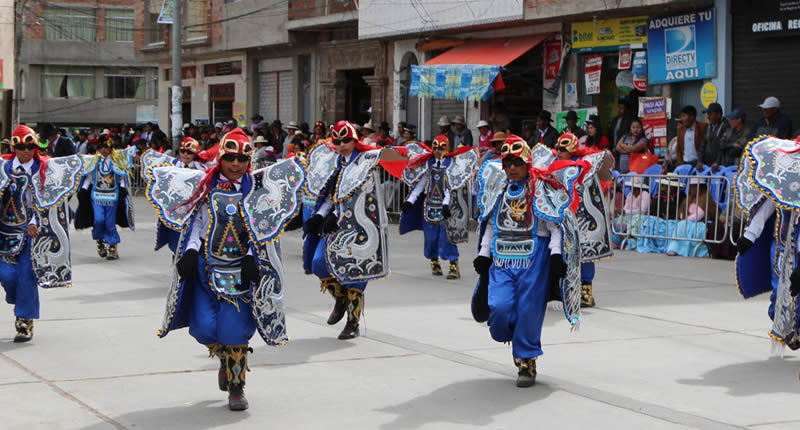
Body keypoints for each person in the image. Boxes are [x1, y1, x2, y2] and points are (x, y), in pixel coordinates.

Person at [148, 127, 304, 410]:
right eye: (230, 158)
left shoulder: (257, 190)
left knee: (234, 330)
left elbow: (261, 229)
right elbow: (196, 223)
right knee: (204, 328)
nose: (235, 164)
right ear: (220, 158)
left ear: (249, 161)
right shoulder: (205, 185)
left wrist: (251, 257)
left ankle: (236, 385)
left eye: (242, 159)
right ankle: (224, 355)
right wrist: (191, 252)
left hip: (241, 272)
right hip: (207, 269)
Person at [472, 134, 584, 387]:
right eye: (507, 162)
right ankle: (515, 339)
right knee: (499, 307)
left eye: (517, 162)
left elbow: (554, 225)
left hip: (535, 258)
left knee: (529, 311)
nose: (512, 168)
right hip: (502, 259)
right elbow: (490, 224)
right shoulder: (499, 191)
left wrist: (556, 255)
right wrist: (483, 254)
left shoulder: (540, 189)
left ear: (527, 163)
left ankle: (526, 359)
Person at [302, 121, 407, 340]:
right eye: (337, 141)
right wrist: (320, 215)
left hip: (359, 227)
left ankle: (353, 322)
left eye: (346, 140)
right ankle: (340, 299)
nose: (342, 145)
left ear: (355, 140)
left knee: (355, 274)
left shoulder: (365, 161)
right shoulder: (334, 163)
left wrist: (336, 214)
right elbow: (330, 196)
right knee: (318, 263)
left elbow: (362, 195)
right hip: (333, 226)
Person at [0, 125, 82, 342]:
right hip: (5, 231)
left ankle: (24, 319)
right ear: (14, 147)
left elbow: (48, 202)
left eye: (30, 147)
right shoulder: (3, 168)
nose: (26, 151)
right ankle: (20, 301)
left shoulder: (44, 168)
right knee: (7, 276)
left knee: (26, 275)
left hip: (32, 233)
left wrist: (35, 221)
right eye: (22, 147)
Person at [400, 135, 477, 279]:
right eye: (435, 147)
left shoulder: (451, 166)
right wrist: (410, 201)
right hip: (429, 207)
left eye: (442, 147)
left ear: (448, 148)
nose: (438, 150)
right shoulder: (428, 165)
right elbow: (420, 185)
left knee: (446, 238)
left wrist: (446, 204)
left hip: (445, 209)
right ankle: (433, 259)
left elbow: (449, 188)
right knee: (430, 239)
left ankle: (453, 264)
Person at [554, 133, 613, 307]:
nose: (558, 152)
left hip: (583, 218)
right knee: (562, 254)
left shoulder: (585, 166)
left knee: (585, 253)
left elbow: (593, 192)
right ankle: (566, 290)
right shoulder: (554, 166)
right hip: (562, 217)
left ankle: (586, 293)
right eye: (557, 149)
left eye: (562, 149)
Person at [75, 138, 134, 260]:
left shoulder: (116, 161)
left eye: (106, 147)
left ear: (111, 148)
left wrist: (123, 188)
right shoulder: (94, 162)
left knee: (110, 222)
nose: (104, 150)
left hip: (112, 197)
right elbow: (89, 177)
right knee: (99, 220)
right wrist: (83, 189)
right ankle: (99, 239)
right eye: (101, 147)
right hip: (97, 196)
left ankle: (113, 246)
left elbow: (122, 176)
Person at [665, 176, 715, 257]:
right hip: (688, 221)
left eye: (694, 186)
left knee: (684, 225)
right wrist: (684, 218)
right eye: (691, 186)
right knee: (677, 224)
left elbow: (698, 215)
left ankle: (683, 250)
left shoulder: (705, 198)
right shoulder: (689, 198)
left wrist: (685, 220)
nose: (691, 188)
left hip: (702, 222)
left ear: (700, 187)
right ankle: (674, 249)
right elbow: (682, 212)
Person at [697, 103, 730, 171]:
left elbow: (723, 148)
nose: (708, 117)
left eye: (710, 114)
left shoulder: (726, 127)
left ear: (718, 115)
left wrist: (717, 162)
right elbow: (703, 145)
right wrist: (700, 161)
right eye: (708, 114)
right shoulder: (709, 127)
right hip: (707, 165)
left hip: (720, 166)